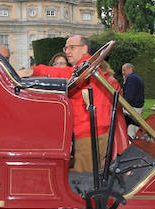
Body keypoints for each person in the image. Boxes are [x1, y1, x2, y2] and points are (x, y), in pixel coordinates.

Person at [21, 35, 114, 172]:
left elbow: (66, 73)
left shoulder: (86, 67)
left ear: (84, 49)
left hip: (89, 133)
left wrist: (33, 71)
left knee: (82, 180)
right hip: (87, 131)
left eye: (72, 47)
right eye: (66, 48)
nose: (67, 52)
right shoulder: (84, 67)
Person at [121, 63, 145, 136]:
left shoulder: (131, 78)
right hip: (137, 108)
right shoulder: (137, 78)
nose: (123, 72)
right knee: (135, 130)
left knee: (129, 131)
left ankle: (129, 145)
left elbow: (129, 96)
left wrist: (123, 105)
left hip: (131, 108)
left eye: (124, 70)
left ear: (130, 69)